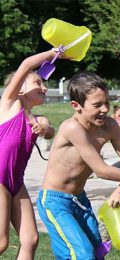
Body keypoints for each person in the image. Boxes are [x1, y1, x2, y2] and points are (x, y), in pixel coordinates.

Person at [36, 71, 120, 259]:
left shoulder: (109, 126)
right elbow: (101, 170)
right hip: (55, 201)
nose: (105, 109)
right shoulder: (72, 128)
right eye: (97, 105)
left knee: (96, 252)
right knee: (82, 253)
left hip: (80, 200)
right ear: (76, 106)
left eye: (107, 102)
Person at [0, 51, 56, 258]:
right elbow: (25, 65)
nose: (44, 87)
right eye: (37, 83)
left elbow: (50, 132)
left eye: (43, 84)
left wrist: (46, 130)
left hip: (16, 182)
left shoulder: (39, 118)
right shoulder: (9, 104)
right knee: (1, 242)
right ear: (20, 88)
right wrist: (54, 53)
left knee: (30, 239)